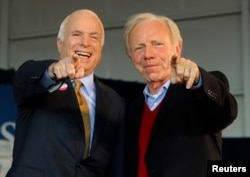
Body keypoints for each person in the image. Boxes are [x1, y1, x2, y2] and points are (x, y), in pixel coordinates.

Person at [6, 9, 125, 177]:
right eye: (76, 34)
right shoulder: (41, 83)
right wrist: (53, 71)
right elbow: (24, 77)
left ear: (101, 47)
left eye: (94, 37)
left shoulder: (115, 103)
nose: (86, 42)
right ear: (60, 43)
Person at [123, 12, 238, 177]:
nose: (148, 54)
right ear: (131, 58)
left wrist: (198, 80)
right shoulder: (129, 111)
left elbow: (227, 111)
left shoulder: (198, 92)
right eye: (139, 47)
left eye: (157, 44)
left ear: (177, 49)